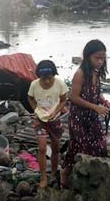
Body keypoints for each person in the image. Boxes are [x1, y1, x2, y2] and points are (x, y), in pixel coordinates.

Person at [61, 39, 110, 187]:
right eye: (97, 58)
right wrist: (95, 107)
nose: (100, 61)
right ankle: (65, 173)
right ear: (88, 56)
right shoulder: (80, 73)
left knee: (100, 145)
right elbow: (73, 97)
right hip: (78, 118)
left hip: (92, 117)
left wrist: (103, 101)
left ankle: (90, 177)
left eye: (103, 58)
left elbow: (95, 92)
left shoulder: (96, 72)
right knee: (78, 146)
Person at [28, 60, 68, 188]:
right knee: (42, 148)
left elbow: (63, 99)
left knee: (56, 149)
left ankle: (54, 173)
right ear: (39, 76)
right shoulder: (34, 85)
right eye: (43, 79)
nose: (46, 81)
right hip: (40, 121)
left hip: (55, 120)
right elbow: (30, 98)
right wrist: (35, 109)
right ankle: (44, 177)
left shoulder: (60, 84)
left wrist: (56, 111)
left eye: (49, 78)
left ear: (54, 75)